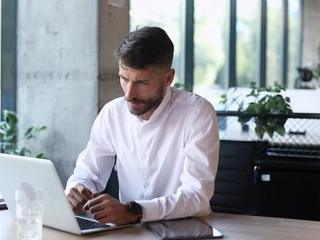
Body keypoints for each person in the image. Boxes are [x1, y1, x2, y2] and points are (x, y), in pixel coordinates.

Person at [65, 26, 219, 226]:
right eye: (124, 78)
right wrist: (78, 189)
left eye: (142, 82)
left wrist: (134, 211)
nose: (129, 94)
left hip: (184, 230)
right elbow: (88, 173)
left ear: (168, 78)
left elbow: (196, 197)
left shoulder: (197, 113)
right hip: (128, 232)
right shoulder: (113, 113)